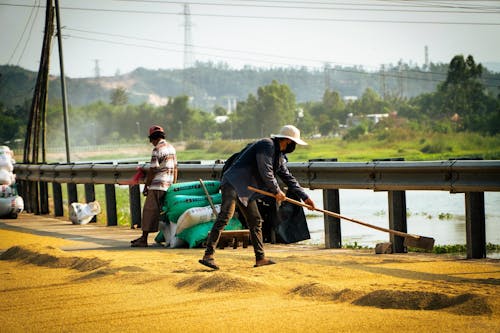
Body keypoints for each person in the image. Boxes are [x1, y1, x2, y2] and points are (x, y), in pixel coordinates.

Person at [199, 125, 316, 269]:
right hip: (233, 183)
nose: (294, 147)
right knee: (225, 216)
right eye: (294, 144)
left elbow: (288, 178)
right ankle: (208, 255)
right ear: (288, 141)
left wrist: (305, 197)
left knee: (255, 220)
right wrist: (277, 191)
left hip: (246, 190)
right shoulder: (266, 145)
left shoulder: (279, 157)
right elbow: (265, 171)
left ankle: (260, 258)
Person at [131, 125, 177, 247]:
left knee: (149, 211)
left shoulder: (157, 150)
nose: (151, 143)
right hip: (168, 184)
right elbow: (175, 168)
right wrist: (173, 184)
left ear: (153, 138)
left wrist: (146, 186)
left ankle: (143, 239)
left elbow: (153, 171)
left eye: (151, 140)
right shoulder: (171, 148)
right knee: (164, 212)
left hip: (158, 185)